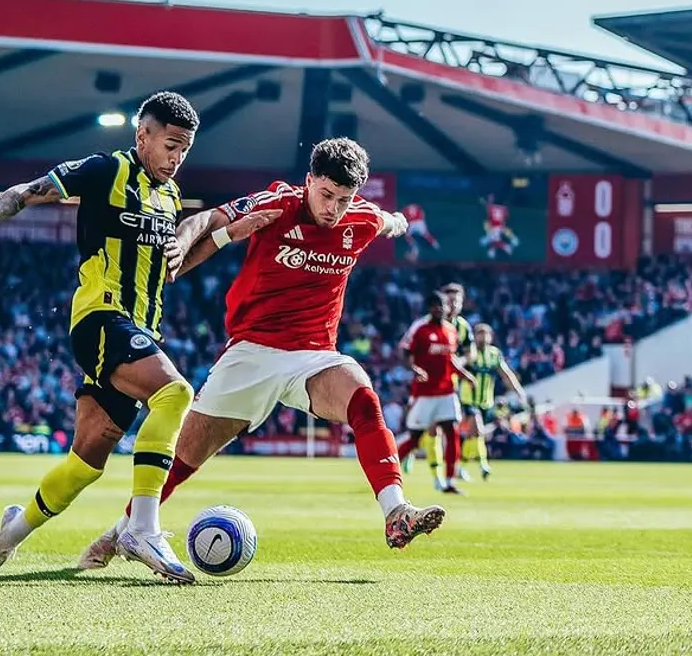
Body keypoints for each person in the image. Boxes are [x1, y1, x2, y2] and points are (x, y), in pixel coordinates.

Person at [78, 137, 446, 568]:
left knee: (363, 399)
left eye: (344, 200)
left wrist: (400, 221)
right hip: (250, 353)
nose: (333, 209)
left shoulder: (360, 219)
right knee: (185, 457)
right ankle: (119, 534)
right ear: (309, 182)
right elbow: (209, 219)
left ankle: (396, 511)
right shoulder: (277, 203)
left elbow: (387, 221)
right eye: (326, 195)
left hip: (313, 356)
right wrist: (180, 240)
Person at [0, 92, 238, 585]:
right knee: (176, 392)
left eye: (185, 149)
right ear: (142, 135)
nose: (177, 157)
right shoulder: (105, 170)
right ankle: (142, 528)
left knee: (85, 463)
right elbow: (27, 191)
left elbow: (170, 265)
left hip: (141, 326)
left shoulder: (169, 197)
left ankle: (6, 538)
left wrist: (209, 240)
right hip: (101, 318)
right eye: (170, 144)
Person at [396, 291, 468, 495]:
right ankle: (386, 470)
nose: (439, 309)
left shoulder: (451, 330)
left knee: (452, 433)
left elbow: (450, 359)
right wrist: (413, 368)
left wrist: (465, 375)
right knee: (414, 438)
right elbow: (404, 351)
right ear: (429, 308)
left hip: (447, 392)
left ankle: (450, 481)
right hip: (425, 393)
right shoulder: (419, 328)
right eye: (435, 305)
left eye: (442, 305)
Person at [458, 321, 527, 479]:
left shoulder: (494, 354)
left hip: (486, 401)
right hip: (469, 398)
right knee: (479, 431)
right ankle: (483, 465)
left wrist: (518, 390)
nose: (483, 338)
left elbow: (506, 373)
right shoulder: (470, 353)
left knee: (472, 435)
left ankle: (461, 467)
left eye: (486, 335)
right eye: (480, 334)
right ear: (474, 336)